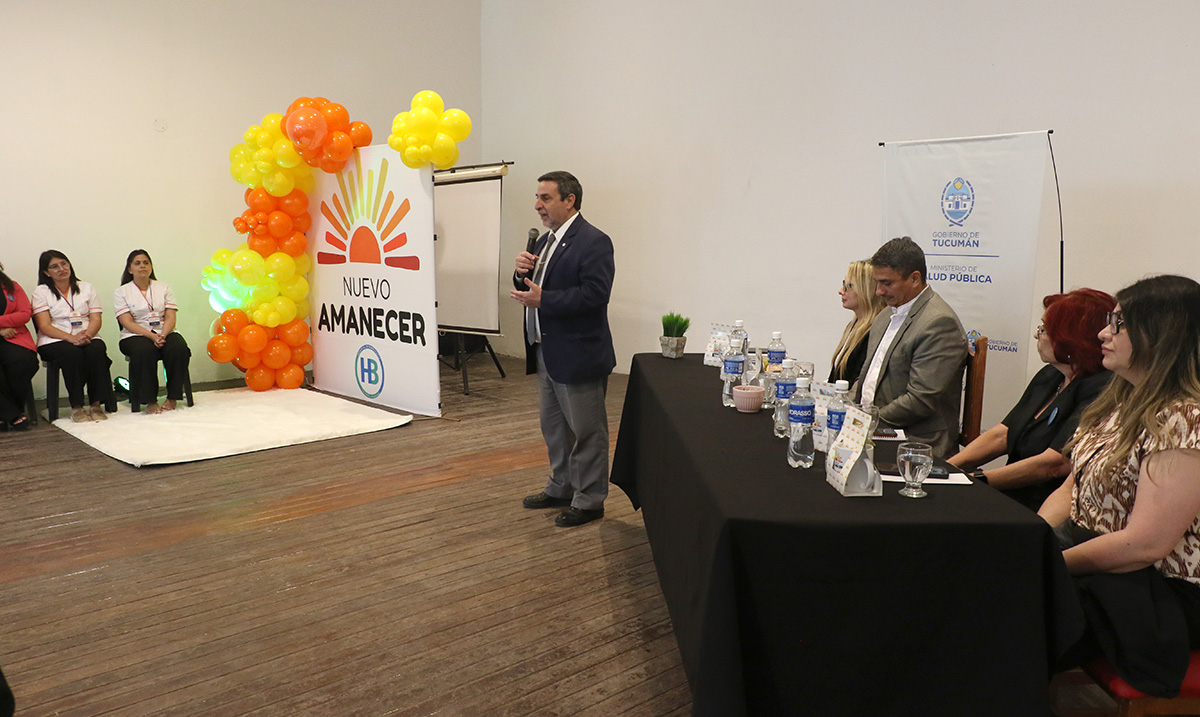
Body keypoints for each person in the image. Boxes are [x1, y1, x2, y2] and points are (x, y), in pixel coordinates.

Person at [1040, 274, 1200, 697]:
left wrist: (1051, 563)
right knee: (987, 581)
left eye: (1119, 323)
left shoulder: (1184, 417)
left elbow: (1144, 545)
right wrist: (1036, 541)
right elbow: (1071, 489)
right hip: (1098, 562)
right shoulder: (1118, 400)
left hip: (1156, 592)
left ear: (1162, 335)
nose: (1103, 333)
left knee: (1009, 612)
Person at [510, 171, 616, 527]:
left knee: (586, 431)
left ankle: (590, 501)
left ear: (569, 200)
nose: (537, 205)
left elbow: (595, 295)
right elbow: (534, 288)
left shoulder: (594, 241)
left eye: (546, 198)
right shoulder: (545, 241)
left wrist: (546, 300)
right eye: (537, 197)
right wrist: (521, 273)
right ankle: (562, 486)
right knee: (555, 428)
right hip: (546, 351)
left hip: (578, 354)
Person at [948, 289, 1114, 510]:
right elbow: (1003, 434)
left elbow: (1055, 464)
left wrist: (976, 480)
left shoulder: (1101, 388)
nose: (1037, 336)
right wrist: (944, 468)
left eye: (1044, 329)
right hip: (1010, 495)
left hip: (1045, 505)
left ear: (1071, 338)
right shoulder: (1050, 375)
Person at [852, 236, 967, 458]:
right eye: (877, 282)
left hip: (915, 443)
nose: (878, 292)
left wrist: (864, 423)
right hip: (876, 430)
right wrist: (840, 406)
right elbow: (870, 378)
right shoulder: (885, 316)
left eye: (887, 283)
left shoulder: (939, 323)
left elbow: (920, 400)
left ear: (915, 278)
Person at [31, 250, 113, 423]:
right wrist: (71, 338)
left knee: (97, 349)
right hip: (54, 339)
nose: (61, 269)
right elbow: (44, 325)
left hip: (86, 334)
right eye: (54, 266)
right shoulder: (41, 292)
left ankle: (96, 404)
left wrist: (87, 335)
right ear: (46, 272)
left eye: (64, 263)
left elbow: (96, 319)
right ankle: (77, 405)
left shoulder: (86, 288)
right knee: (71, 353)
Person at [114, 249, 190, 414]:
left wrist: (162, 334)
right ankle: (150, 400)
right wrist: (151, 336)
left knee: (178, 347)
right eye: (137, 263)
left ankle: (173, 396)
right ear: (129, 269)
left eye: (146, 263)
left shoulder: (164, 287)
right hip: (134, 335)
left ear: (151, 266)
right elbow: (126, 322)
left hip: (164, 331)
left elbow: (170, 316)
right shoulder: (121, 292)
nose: (142, 266)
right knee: (144, 351)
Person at [829, 259, 886, 383]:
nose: (841, 291)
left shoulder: (875, 333)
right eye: (843, 284)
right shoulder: (854, 326)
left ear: (866, 290)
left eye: (849, 286)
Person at [0, 262, 39, 430]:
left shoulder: (12, 286)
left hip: (14, 337)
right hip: (5, 333)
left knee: (24, 361)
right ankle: (14, 414)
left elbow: (24, 314)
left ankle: (3, 413)